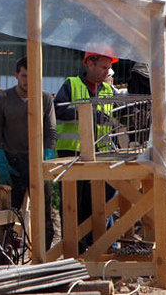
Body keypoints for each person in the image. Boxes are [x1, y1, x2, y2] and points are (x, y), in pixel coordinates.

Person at [0, 56, 57, 248]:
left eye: (32, 76)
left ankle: (44, 254)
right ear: (16, 76)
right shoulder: (2, 99)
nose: (28, 80)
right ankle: (4, 251)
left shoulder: (44, 98)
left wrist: (48, 155)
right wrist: (0, 161)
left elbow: (51, 130)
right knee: (9, 212)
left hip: (37, 161)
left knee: (44, 212)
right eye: (24, 75)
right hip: (12, 162)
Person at [53, 51, 118, 252]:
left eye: (108, 68)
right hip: (72, 155)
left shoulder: (108, 90)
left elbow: (119, 115)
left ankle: (95, 248)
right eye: (103, 67)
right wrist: (88, 113)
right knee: (73, 207)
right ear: (89, 64)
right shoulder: (71, 84)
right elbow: (58, 110)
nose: (107, 71)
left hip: (100, 156)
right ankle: (73, 251)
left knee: (98, 206)